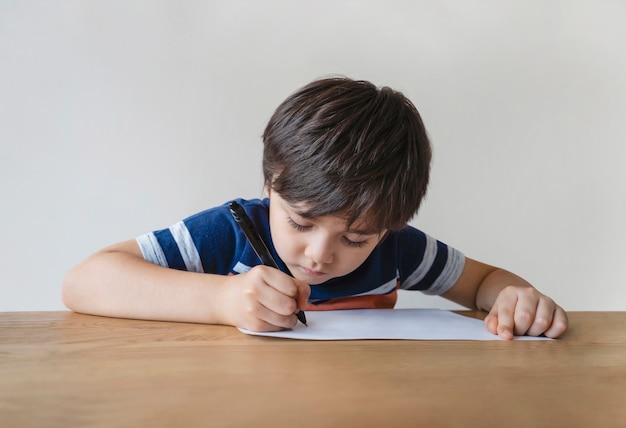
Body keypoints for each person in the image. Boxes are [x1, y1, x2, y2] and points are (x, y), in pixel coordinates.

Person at [62, 76, 568, 339]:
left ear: (391, 224)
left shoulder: (397, 250)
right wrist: (222, 301)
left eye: (356, 239)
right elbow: (85, 280)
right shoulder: (232, 231)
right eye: (300, 222)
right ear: (269, 185)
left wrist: (516, 298)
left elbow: (482, 282)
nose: (320, 255)